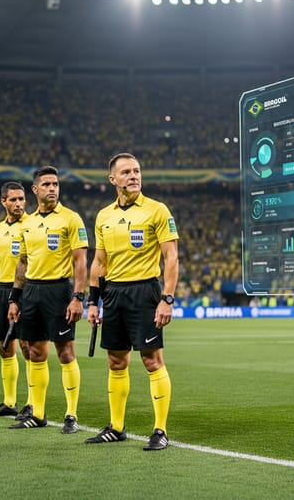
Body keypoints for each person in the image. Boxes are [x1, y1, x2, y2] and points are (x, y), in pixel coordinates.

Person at [84, 152, 179, 451]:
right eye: (126, 172)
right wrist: (93, 302)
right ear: (113, 179)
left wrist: (167, 298)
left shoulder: (157, 210)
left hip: (145, 293)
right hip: (113, 293)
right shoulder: (104, 215)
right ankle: (117, 427)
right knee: (116, 361)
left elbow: (171, 257)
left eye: (136, 171)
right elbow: (99, 262)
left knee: (152, 360)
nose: (133, 176)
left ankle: (160, 430)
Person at [7, 166, 87, 434]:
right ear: (35, 189)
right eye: (47, 184)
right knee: (36, 353)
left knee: (65, 352)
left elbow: (80, 261)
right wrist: (14, 299)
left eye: (55, 184)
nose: (52, 188)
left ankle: (71, 415)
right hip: (31, 291)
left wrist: (78, 297)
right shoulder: (27, 223)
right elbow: (23, 262)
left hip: (59, 291)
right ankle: (38, 413)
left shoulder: (71, 218)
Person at [0, 182, 31, 418]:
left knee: (27, 346)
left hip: (24, 290)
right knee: (5, 347)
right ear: (3, 201)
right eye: (13, 200)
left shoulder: (32, 225)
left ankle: (33, 402)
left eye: (21, 199)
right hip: (2, 291)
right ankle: (9, 401)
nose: (19, 204)